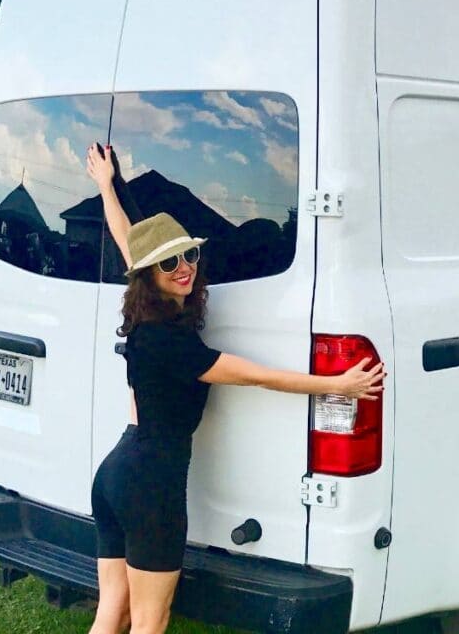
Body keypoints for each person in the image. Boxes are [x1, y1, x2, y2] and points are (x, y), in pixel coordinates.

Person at [84, 143, 385, 634]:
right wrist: (337, 383)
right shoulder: (169, 342)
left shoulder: (146, 319)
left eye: (189, 255)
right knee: (149, 620)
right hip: (150, 484)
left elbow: (129, 240)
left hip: (117, 473)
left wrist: (106, 185)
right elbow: (255, 374)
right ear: (149, 276)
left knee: (112, 611)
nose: (184, 267)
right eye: (170, 264)